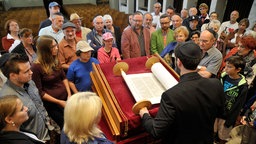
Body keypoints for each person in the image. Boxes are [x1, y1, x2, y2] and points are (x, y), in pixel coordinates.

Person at [138, 41, 225, 144]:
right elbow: (221, 113)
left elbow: (156, 131)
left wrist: (145, 115)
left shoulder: (170, 96)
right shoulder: (216, 84)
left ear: (178, 62)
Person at [0, 53, 50, 141]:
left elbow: (39, 105)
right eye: (26, 71)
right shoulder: (7, 99)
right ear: (13, 76)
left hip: (47, 131)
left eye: (30, 69)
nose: (31, 72)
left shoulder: (30, 82)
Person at [31, 35, 71, 128]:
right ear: (45, 50)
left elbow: (64, 78)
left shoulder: (55, 60)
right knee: (66, 126)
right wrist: (58, 102)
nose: (57, 48)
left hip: (65, 97)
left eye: (56, 45)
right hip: (53, 104)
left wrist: (69, 94)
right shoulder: (36, 67)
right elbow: (40, 92)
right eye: (53, 47)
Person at [214, 56, 248, 143]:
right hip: (216, 111)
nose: (226, 68)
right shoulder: (223, 77)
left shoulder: (242, 86)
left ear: (238, 70)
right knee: (213, 131)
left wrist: (230, 120)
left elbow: (238, 105)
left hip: (227, 115)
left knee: (223, 136)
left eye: (229, 67)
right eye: (226, 66)